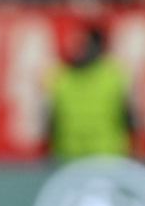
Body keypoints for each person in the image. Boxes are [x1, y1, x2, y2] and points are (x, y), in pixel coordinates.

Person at [45, 21, 137, 159]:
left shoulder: (115, 75)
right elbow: (50, 120)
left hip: (107, 157)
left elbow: (129, 117)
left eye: (82, 45)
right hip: (70, 158)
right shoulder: (59, 77)